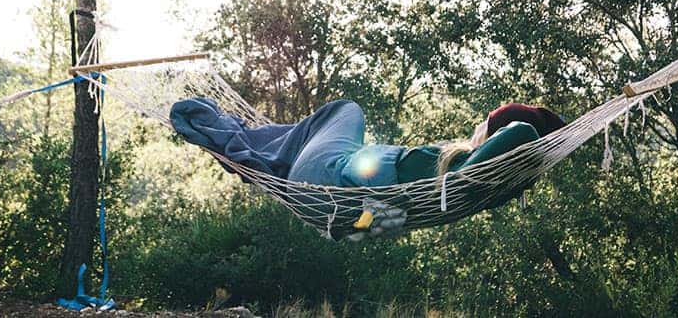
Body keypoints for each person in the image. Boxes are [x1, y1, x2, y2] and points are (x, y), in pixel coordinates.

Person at [170, 98, 565, 236]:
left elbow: (523, 132)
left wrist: (523, 124)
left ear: (491, 133)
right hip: (330, 213)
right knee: (302, 141)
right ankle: (259, 149)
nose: (478, 124)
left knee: (345, 110)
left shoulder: (463, 170)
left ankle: (243, 138)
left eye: (486, 121)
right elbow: (375, 220)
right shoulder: (485, 191)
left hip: (325, 179)